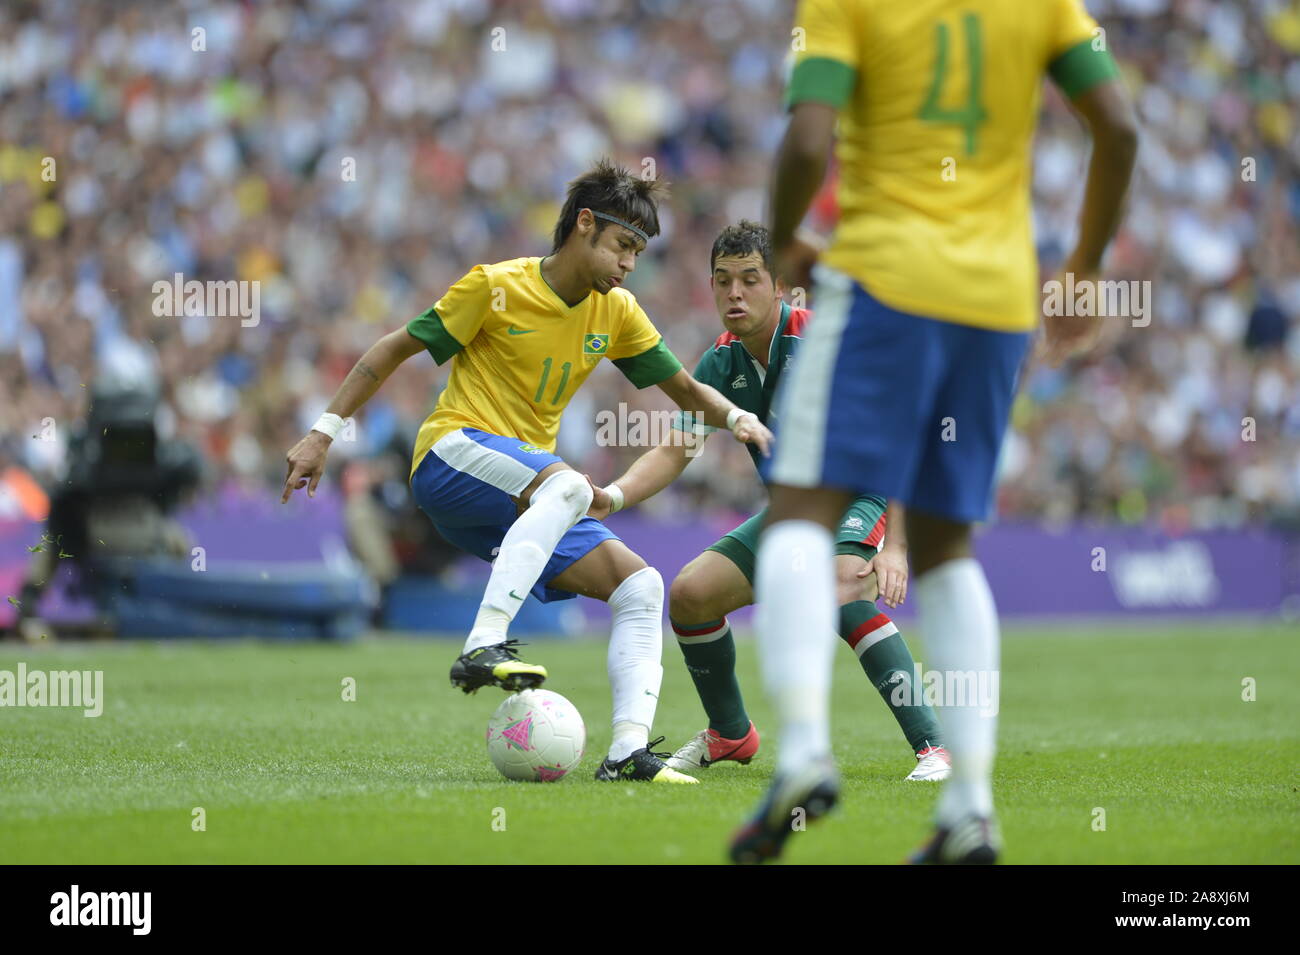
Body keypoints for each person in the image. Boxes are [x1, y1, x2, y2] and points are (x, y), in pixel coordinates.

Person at [733, 0, 1138, 863]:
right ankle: (969, 805)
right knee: (951, 547)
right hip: (997, 300)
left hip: (885, 281)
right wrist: (1087, 266)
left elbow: (808, 140)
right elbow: (1120, 126)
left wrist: (783, 241)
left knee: (801, 509)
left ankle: (803, 750)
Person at [282, 158, 773, 784]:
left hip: (526, 502)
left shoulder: (616, 312)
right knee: (568, 482)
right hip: (451, 456)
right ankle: (481, 644)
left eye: (639, 253)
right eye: (623, 246)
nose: (629, 265)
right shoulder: (494, 286)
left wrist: (736, 418)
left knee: (642, 586)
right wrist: (323, 433)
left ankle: (627, 753)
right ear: (584, 225)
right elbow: (391, 350)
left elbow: (682, 387)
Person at [590, 221, 949, 782]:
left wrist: (896, 547)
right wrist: (611, 496)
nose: (735, 294)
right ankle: (731, 734)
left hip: (867, 492)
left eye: (750, 280)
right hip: (795, 512)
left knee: (837, 580)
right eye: (723, 281)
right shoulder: (719, 363)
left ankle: (935, 746)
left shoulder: (825, 344)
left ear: (778, 286)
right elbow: (674, 452)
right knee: (689, 596)